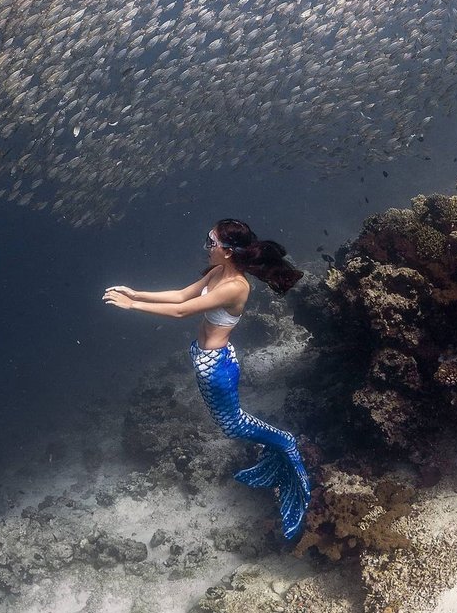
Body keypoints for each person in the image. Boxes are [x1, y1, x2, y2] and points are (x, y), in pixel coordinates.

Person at [102, 218, 311, 539]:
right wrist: (136, 292)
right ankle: (278, 448)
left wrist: (133, 306)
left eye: (210, 243)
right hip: (206, 359)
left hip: (217, 366)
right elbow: (181, 296)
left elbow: (182, 312)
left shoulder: (235, 287)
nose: (206, 247)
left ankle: (285, 443)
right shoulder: (218, 273)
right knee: (229, 423)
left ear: (228, 251)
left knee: (232, 425)